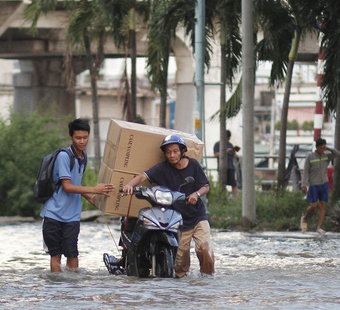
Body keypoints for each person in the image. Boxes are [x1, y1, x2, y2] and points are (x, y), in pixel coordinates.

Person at [122, 134, 215, 278]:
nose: (172, 155)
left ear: (182, 151)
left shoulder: (193, 165)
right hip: (177, 220)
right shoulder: (162, 168)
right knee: (179, 264)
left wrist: (196, 194)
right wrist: (129, 185)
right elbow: (142, 177)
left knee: (204, 247)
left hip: (197, 216)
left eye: (175, 151)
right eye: (168, 152)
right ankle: (180, 288)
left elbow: (205, 186)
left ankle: (207, 279)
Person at [41, 118, 115, 273]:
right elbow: (67, 186)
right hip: (54, 213)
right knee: (56, 256)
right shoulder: (64, 156)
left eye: (85, 137)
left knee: (72, 254)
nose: (82, 141)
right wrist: (96, 189)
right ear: (70, 137)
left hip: (72, 215)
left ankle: (73, 291)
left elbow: (77, 183)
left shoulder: (83, 158)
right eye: (78, 138)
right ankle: (58, 290)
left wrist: (91, 198)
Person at [299, 137, 340, 234]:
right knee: (313, 206)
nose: (322, 150)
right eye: (321, 148)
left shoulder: (326, 156)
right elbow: (306, 171)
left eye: (324, 148)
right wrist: (303, 184)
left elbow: (337, 154)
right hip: (314, 184)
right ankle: (305, 218)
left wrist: (328, 148)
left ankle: (319, 227)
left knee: (322, 205)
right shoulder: (310, 157)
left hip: (324, 184)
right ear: (317, 147)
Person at [213, 130, 241, 196]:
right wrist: (225, 151)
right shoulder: (218, 144)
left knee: (233, 183)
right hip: (222, 167)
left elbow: (234, 157)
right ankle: (223, 197)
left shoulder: (230, 144)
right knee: (222, 183)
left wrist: (233, 152)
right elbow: (215, 154)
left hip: (231, 166)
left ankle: (235, 198)